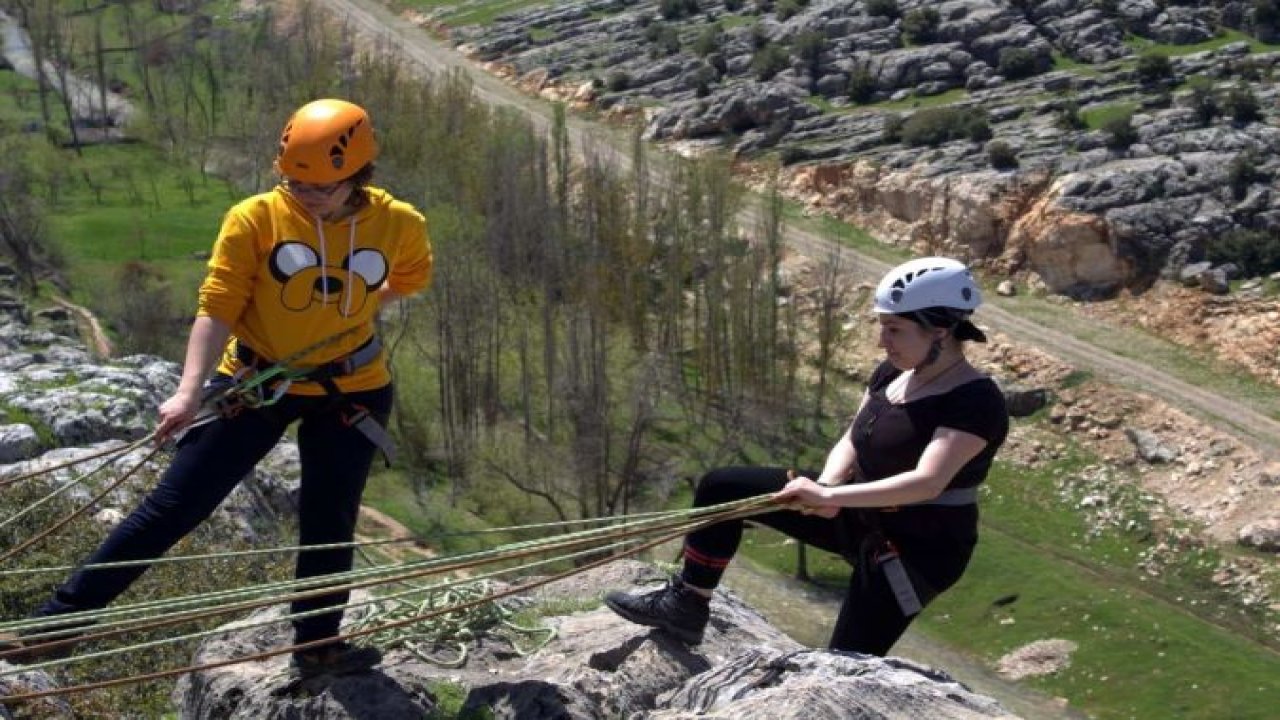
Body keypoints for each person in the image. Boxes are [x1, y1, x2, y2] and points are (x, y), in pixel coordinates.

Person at [4, 99, 433, 677]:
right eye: (294, 182)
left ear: (358, 176)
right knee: (175, 505)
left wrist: (345, 312)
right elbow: (217, 306)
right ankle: (53, 628)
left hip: (351, 387)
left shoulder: (400, 223)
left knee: (329, 518)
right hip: (254, 381)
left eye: (319, 187)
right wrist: (188, 392)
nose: (302, 195)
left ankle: (316, 645)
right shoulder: (255, 216)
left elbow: (408, 278)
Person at [605, 256, 1008, 656]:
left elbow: (927, 482)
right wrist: (827, 485)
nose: (882, 341)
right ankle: (686, 604)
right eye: (882, 327)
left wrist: (831, 499)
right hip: (857, 507)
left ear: (939, 331)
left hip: (920, 545)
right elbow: (854, 435)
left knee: (846, 659)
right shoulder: (893, 372)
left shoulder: (975, 401)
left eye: (894, 330)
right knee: (722, 487)